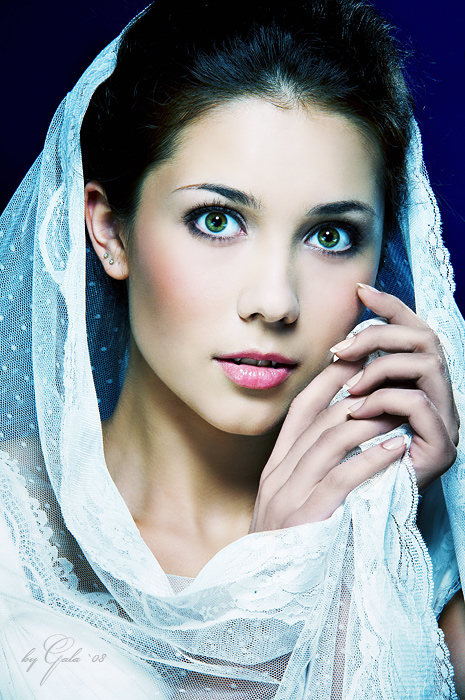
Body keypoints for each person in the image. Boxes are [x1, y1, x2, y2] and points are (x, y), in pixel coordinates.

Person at [0, 1, 463, 697]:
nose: (275, 301)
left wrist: (354, 548)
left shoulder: (434, 580)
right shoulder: (12, 538)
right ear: (109, 231)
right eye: (216, 220)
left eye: (330, 235)